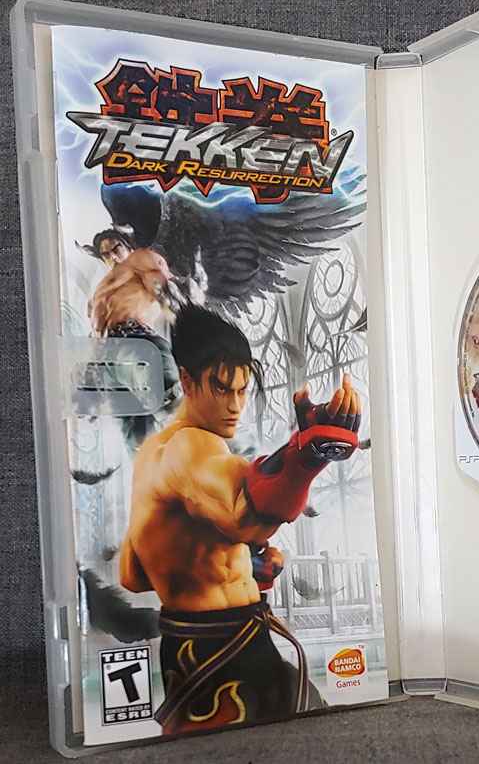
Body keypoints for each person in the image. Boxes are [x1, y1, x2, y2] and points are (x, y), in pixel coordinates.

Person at [119, 304, 361, 734]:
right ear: (187, 380)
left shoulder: (150, 456)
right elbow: (242, 509)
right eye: (221, 389)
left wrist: (236, 561)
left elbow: (132, 574)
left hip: (202, 647)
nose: (235, 405)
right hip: (220, 653)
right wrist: (305, 454)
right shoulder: (190, 446)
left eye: (242, 390)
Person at [81, 229, 181, 449]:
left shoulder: (139, 260)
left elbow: (169, 295)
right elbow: (95, 336)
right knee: (138, 442)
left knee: (173, 408)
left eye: (115, 248)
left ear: (127, 245)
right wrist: (91, 382)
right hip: (108, 365)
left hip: (135, 342)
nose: (112, 256)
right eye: (105, 254)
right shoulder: (96, 295)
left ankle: (241, 455)